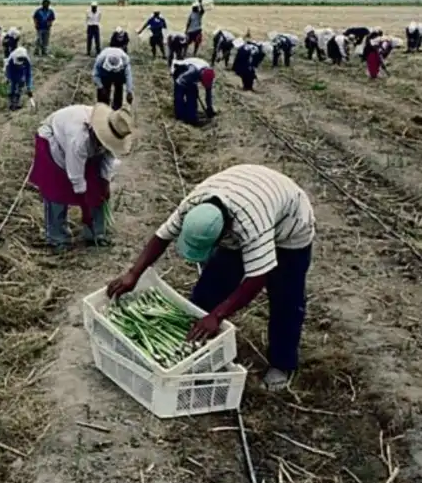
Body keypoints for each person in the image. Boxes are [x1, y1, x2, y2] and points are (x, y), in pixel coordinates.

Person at [106, 164, 316, 391]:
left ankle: (281, 363)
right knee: (213, 282)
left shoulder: (251, 225)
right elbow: (162, 236)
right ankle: (196, 346)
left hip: (290, 225)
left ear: (225, 233)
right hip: (248, 194)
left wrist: (218, 315)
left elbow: (257, 278)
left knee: (286, 296)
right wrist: (133, 273)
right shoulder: (194, 206)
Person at [29, 104, 135, 251]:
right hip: (53, 138)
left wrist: (104, 185)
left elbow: (107, 163)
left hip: (80, 146)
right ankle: (57, 238)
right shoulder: (79, 138)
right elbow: (75, 172)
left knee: (98, 190)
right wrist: (82, 193)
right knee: (57, 189)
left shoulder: (111, 132)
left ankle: (95, 234)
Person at [171, 58, 215, 126]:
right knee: (179, 96)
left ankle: (191, 117)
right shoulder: (192, 72)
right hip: (179, 71)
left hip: (191, 75)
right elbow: (179, 82)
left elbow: (208, 92)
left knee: (193, 95)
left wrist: (209, 107)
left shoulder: (209, 74)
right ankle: (180, 117)